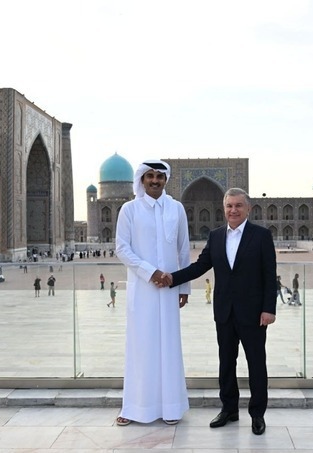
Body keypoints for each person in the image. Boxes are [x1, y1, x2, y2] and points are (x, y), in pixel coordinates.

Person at [163, 187, 277, 436]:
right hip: (225, 311)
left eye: (238, 205)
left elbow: (270, 275)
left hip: (254, 313)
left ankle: (257, 414)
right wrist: (172, 278)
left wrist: (269, 309)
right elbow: (200, 266)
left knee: (256, 364)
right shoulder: (215, 236)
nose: (233, 210)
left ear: (248, 208)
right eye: (229, 206)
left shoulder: (260, 235)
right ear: (224, 209)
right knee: (226, 363)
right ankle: (229, 409)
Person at [114, 159, 191, 426]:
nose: (155, 181)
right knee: (141, 347)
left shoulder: (176, 208)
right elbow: (122, 248)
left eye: (160, 176)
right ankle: (134, 407)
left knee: (169, 347)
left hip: (170, 289)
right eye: (150, 176)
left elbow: (183, 249)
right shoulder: (130, 210)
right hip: (143, 289)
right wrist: (151, 272)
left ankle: (171, 408)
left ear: (165, 180)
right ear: (142, 180)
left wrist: (184, 286)